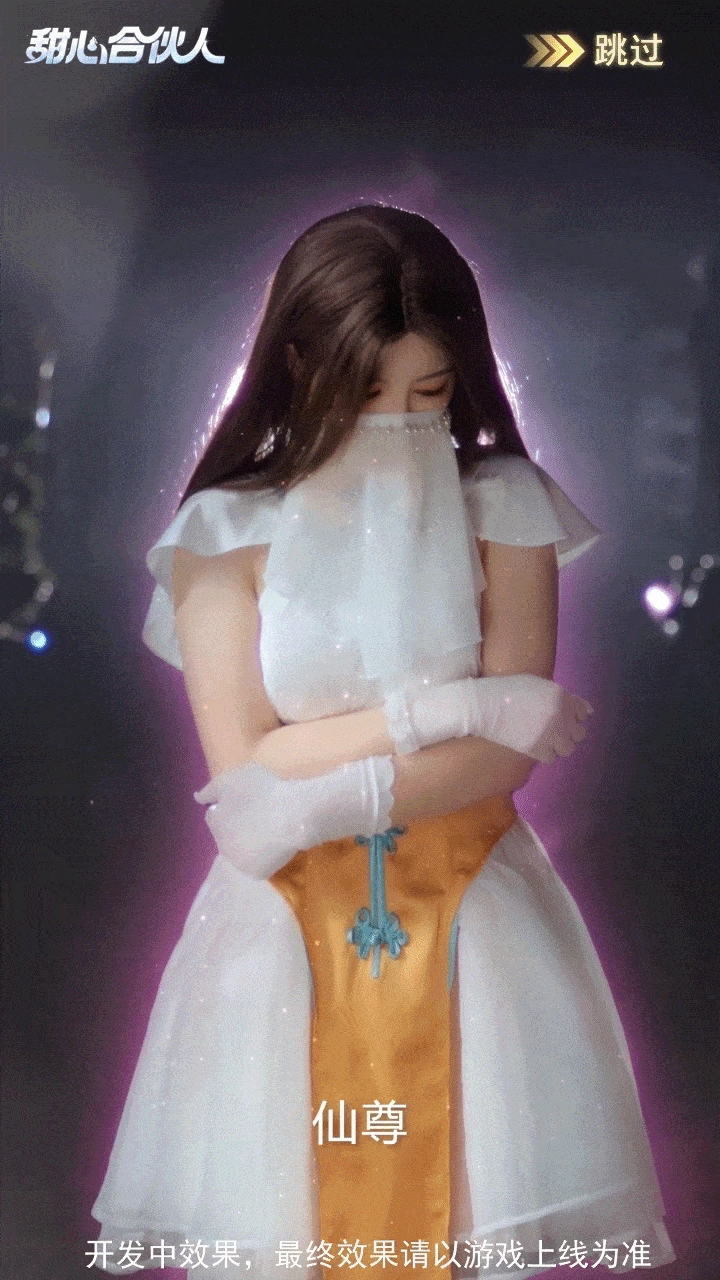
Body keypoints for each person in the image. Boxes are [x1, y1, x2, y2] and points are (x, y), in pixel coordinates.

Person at [91, 206, 675, 1278]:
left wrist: (319, 790)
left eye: (429, 394)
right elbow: (244, 761)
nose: (398, 423)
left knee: (460, 1207)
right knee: (294, 1211)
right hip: (283, 920)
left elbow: (505, 759)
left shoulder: (504, 502)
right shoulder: (224, 528)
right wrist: (451, 708)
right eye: (366, 393)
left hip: (471, 902)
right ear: (300, 362)